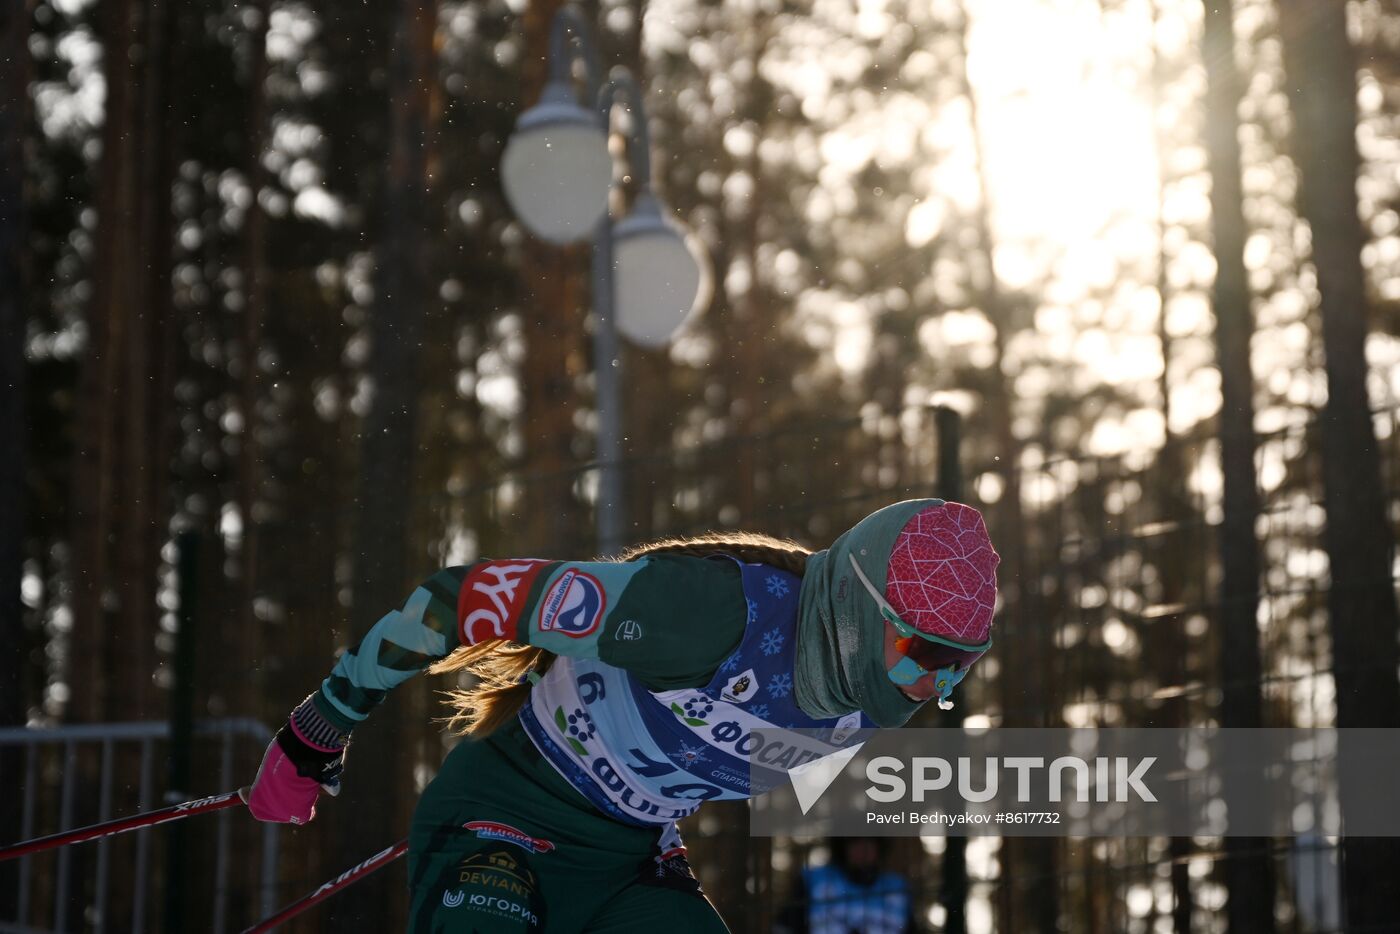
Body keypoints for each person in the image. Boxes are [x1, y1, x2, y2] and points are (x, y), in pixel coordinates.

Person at [245, 498, 999, 932]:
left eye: (956, 667)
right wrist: (321, 726)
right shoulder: (706, 612)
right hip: (502, 820)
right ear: (853, 609)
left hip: (625, 866)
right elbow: (460, 598)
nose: (926, 687)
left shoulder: (859, 710)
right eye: (920, 652)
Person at [775, 837, 916, 934]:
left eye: (870, 842)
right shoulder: (815, 881)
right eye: (856, 842)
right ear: (843, 847)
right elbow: (784, 927)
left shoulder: (897, 889)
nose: (863, 850)